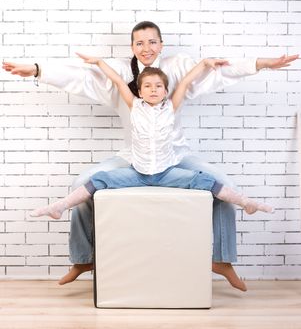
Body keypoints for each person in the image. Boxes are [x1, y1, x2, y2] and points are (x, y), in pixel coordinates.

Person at [2, 21, 298, 291]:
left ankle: (222, 260)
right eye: (140, 43)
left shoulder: (177, 68)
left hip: (176, 156)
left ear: (161, 44)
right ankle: (83, 259)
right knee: (83, 183)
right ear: (132, 47)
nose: (147, 48)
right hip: (133, 157)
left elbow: (215, 72)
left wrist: (262, 64)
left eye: (152, 42)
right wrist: (38, 70)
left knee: (222, 184)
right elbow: (81, 78)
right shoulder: (119, 72)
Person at [30, 58, 273, 221]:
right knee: (100, 179)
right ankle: (60, 206)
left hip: (166, 173)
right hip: (138, 173)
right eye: (148, 86)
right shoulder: (134, 105)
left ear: (166, 91)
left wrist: (204, 64)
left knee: (206, 180)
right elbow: (116, 80)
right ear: (140, 90)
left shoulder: (171, 107)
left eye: (158, 86)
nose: (154, 90)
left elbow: (187, 81)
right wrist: (99, 63)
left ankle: (246, 202)